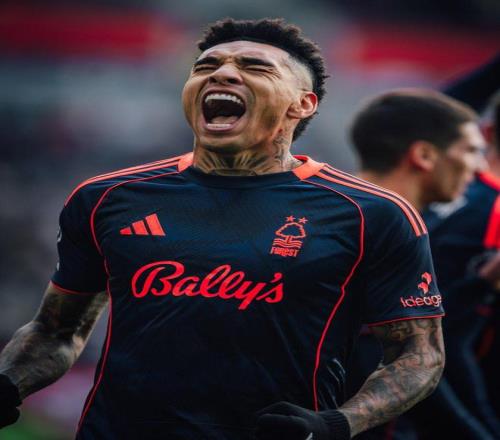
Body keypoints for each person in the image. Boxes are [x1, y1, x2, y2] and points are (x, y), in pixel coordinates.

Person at [0, 18, 445, 440]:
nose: (222, 74)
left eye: (255, 67)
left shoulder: (373, 213)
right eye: (205, 67)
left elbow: (418, 355)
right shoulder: (105, 198)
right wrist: (8, 383)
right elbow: (56, 332)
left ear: (302, 104)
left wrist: (337, 424)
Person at [347, 89, 497, 439]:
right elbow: (406, 364)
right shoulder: (373, 232)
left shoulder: (363, 218)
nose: (479, 167)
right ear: (424, 155)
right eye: (470, 151)